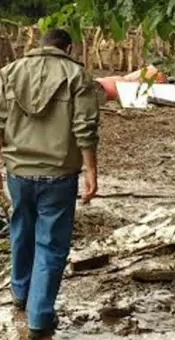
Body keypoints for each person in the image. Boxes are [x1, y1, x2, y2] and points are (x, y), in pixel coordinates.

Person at [0, 28, 100, 339]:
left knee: (21, 230)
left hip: (18, 172)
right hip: (58, 174)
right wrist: (91, 171)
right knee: (51, 245)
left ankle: (20, 293)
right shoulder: (76, 75)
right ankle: (40, 317)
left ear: (39, 45)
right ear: (67, 48)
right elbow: (85, 127)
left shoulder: (8, 73)